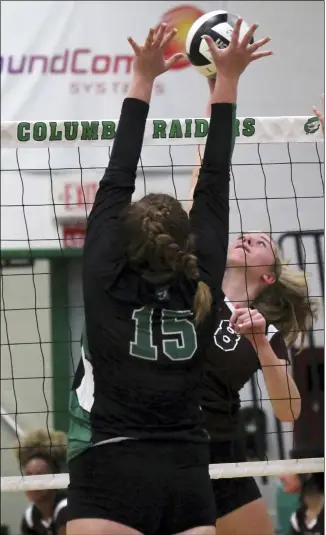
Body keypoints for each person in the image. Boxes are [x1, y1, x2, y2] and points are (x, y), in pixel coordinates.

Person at [66, 20, 272, 535]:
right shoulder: (201, 284)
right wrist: (225, 81)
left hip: (109, 468)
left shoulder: (103, 276)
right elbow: (214, 178)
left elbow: (118, 172)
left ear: (121, 242)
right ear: (186, 246)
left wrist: (143, 78)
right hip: (185, 474)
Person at [189, 81, 318, 535]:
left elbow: (289, 412)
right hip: (169, 446)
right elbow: (203, 179)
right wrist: (217, 87)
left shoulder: (266, 332)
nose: (247, 238)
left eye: (260, 242)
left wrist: (262, 342)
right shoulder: (194, 283)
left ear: (268, 276)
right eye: (245, 235)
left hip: (221, 452)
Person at [15, 428, 67, 535]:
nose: (33, 483)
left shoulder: (66, 508)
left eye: (40, 475)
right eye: (28, 475)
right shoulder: (30, 516)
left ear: (55, 477)